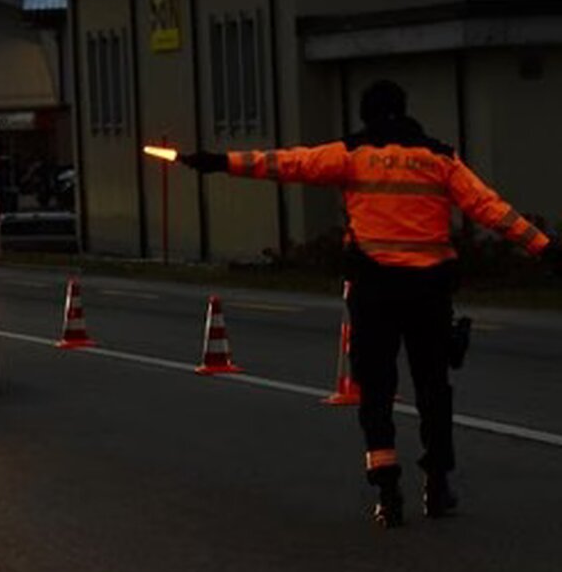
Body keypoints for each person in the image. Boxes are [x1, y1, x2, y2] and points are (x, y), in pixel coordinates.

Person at [180, 80, 559, 528]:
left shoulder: (351, 153)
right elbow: (489, 207)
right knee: (433, 388)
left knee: (375, 390)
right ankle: (437, 483)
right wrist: (546, 248)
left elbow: (286, 163)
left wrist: (219, 162)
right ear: (404, 109)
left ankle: (387, 490)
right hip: (429, 292)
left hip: (374, 290)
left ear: (366, 113)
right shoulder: (439, 157)